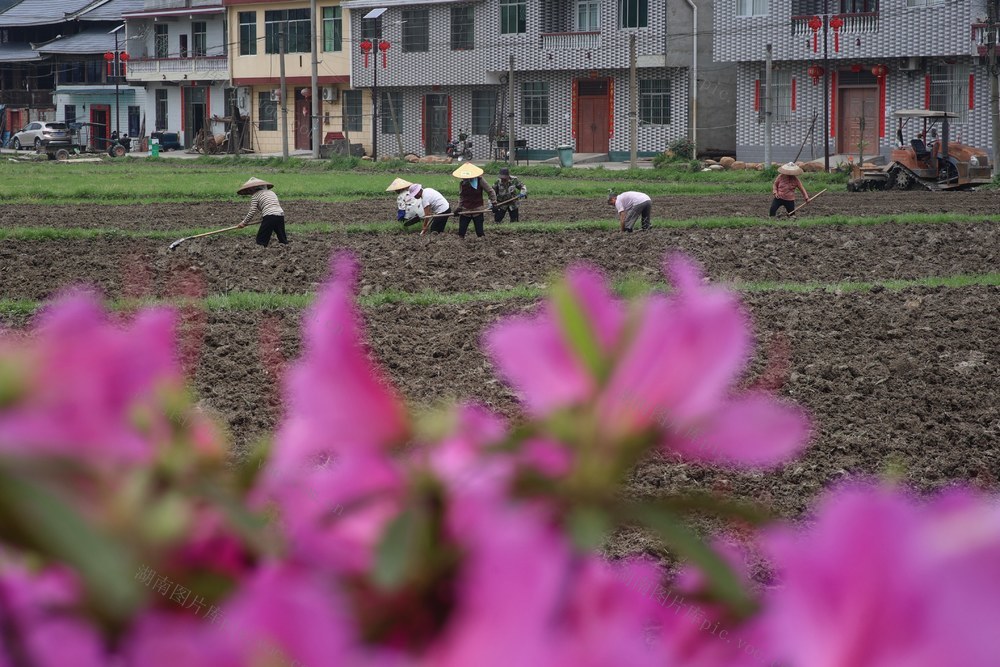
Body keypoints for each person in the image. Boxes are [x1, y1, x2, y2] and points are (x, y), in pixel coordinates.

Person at [237, 177, 288, 246]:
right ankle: (286, 248)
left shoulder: (255, 196)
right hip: (280, 215)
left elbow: (252, 211)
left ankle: (260, 252)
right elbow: (272, 206)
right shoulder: (271, 192)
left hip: (270, 216)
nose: (249, 192)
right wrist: (264, 218)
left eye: (249, 190)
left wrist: (244, 222)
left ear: (252, 189)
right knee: (282, 238)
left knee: (261, 240)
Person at [453, 162, 497, 239]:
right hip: (465, 210)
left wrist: (494, 203)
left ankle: (482, 244)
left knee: (480, 232)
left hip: (477, 210)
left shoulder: (480, 181)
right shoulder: (462, 183)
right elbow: (461, 196)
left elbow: (490, 191)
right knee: (461, 232)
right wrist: (458, 208)